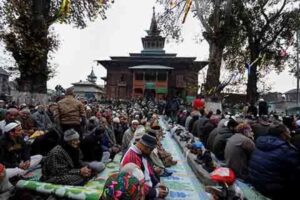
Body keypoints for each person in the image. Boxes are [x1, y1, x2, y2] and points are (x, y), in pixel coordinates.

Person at [248, 124, 300, 200]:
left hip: (256, 183)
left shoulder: (260, 143)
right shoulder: (285, 150)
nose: (290, 135)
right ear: (283, 134)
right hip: (273, 189)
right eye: (288, 132)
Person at [121, 134, 168, 199]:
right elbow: (136, 184)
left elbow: (148, 171)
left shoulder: (141, 153)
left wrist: (157, 184)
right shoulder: (132, 158)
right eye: (151, 150)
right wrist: (155, 192)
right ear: (146, 147)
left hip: (145, 187)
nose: (151, 152)